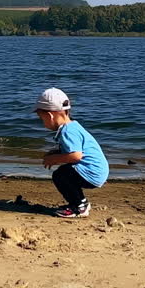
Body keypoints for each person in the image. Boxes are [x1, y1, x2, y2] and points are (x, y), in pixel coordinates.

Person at [34, 87, 109, 218]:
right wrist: (55, 153)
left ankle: (79, 207)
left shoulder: (68, 131)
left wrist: (55, 159)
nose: (43, 123)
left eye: (42, 119)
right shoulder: (72, 126)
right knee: (65, 173)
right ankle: (81, 202)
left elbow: (76, 155)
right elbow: (72, 150)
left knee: (60, 175)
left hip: (92, 172)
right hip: (96, 170)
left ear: (50, 116)